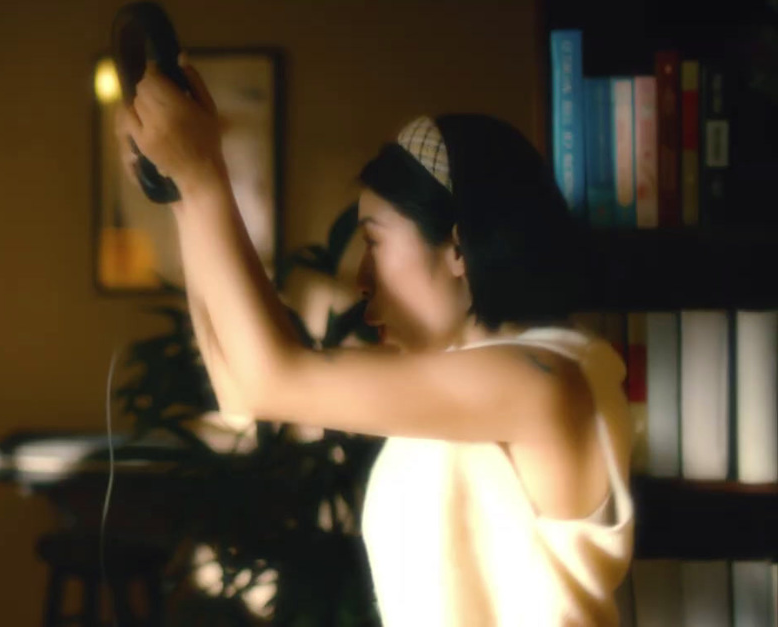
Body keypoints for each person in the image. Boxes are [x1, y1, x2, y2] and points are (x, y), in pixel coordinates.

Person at [118, 60, 632, 625]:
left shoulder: (541, 378)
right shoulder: (489, 376)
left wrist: (202, 172)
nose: (361, 279)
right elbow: (239, 385)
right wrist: (182, 193)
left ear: (460, 248)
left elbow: (269, 380)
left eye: (374, 241)